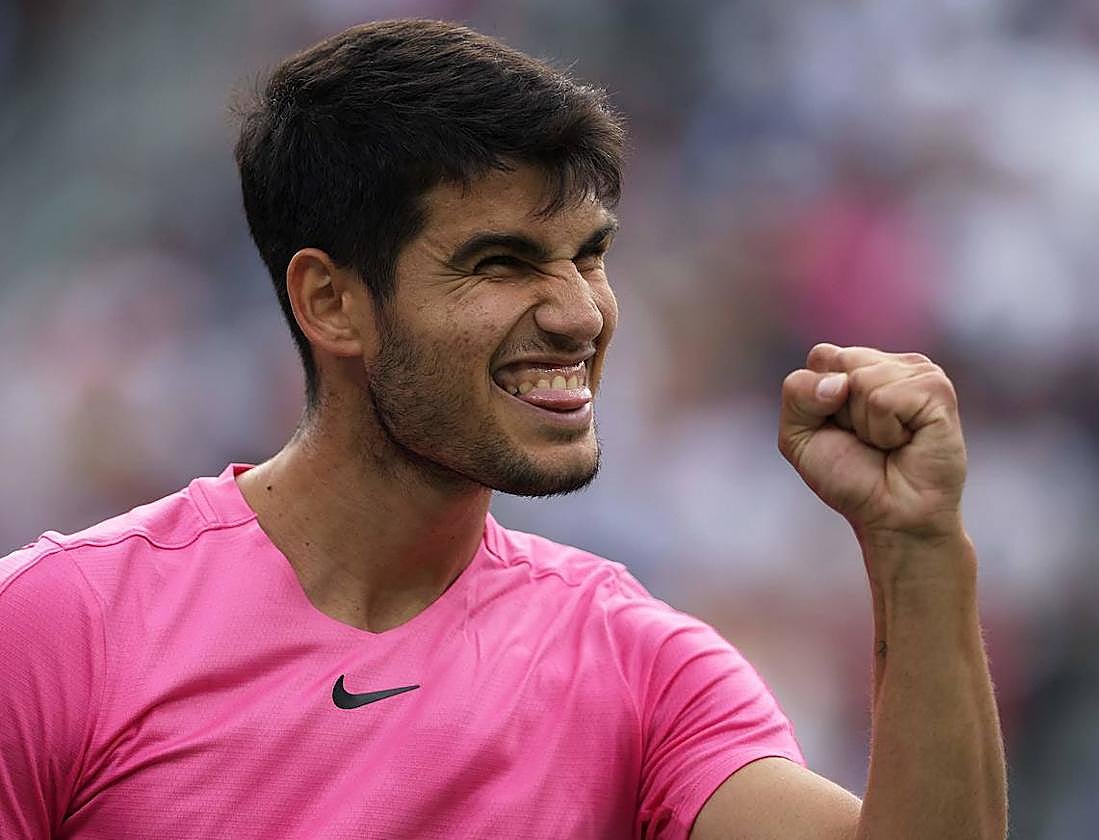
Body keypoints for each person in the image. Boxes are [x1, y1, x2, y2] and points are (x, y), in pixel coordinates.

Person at [0, 19, 1006, 840]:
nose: (579, 313)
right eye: (500, 263)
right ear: (332, 303)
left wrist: (917, 549)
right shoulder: (54, 629)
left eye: (589, 255)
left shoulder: (639, 666)